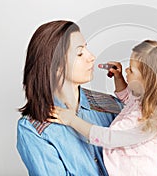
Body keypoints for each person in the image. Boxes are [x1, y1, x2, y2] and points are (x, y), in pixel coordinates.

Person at [49, 40, 157, 176]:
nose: (127, 69)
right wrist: (119, 77)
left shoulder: (145, 124)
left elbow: (106, 138)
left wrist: (71, 120)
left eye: (132, 70)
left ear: (148, 83)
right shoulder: (148, 101)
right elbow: (128, 98)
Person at [16, 20, 123, 175]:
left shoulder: (110, 105)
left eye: (86, 48)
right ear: (55, 66)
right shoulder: (33, 130)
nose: (91, 57)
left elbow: (149, 157)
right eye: (80, 53)